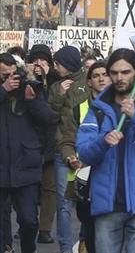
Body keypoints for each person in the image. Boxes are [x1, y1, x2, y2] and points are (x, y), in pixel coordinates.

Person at [75, 48, 135, 252]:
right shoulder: (98, 109)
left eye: (125, 72)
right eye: (115, 72)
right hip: (107, 205)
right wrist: (103, 141)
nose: (119, 78)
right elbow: (84, 153)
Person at [0, 52, 57, 253]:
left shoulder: (30, 89)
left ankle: (27, 249)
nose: (10, 79)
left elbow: (49, 119)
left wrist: (32, 101)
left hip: (26, 165)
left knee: (29, 220)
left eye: (12, 74)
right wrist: (3, 91)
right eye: (4, 75)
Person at [62, 61, 112, 253]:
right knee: (90, 228)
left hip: (111, 178)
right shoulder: (78, 108)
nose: (101, 78)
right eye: (96, 75)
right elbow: (67, 139)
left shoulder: (122, 106)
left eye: (104, 74)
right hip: (85, 178)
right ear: (89, 81)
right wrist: (70, 158)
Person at [48, 45, 88, 251]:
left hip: (86, 151)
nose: (56, 67)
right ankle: (65, 248)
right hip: (62, 151)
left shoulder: (88, 82)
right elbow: (50, 117)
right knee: (64, 205)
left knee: (86, 202)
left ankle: (83, 243)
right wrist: (59, 95)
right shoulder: (56, 86)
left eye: (59, 64)